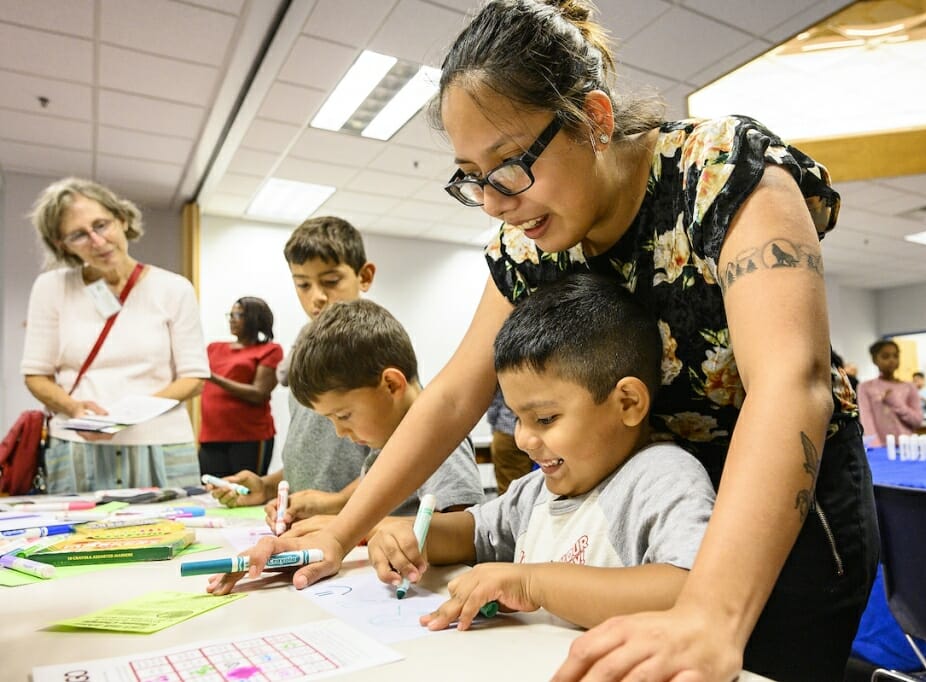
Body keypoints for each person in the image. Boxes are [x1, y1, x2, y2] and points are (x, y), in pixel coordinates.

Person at [213, 2, 877, 680]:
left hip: (782, 506)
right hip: (643, 507)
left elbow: (791, 384)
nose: (496, 202)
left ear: (594, 118)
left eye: (508, 165)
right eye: (472, 178)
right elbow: (450, 398)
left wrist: (711, 612)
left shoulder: (721, 173)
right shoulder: (528, 242)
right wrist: (340, 529)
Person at [368, 274, 714, 630]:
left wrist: (531, 583)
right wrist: (409, 537)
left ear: (627, 403)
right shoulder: (537, 492)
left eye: (545, 419)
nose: (523, 440)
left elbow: (691, 589)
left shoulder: (662, 477)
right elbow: (470, 533)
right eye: (518, 419)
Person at [21, 177, 208, 493]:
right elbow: (36, 374)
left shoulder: (174, 288)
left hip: (162, 442)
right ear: (62, 244)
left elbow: (194, 377)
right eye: (78, 234)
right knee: (78, 541)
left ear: (121, 219)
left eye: (101, 225)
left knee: (176, 535)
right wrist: (75, 409)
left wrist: (130, 414)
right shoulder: (51, 288)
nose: (96, 240)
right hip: (76, 445)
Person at [206, 217, 376, 535]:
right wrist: (268, 486)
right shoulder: (303, 349)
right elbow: (314, 452)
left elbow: (400, 455)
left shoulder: (375, 348)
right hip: (305, 528)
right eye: (303, 284)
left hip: (353, 531)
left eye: (331, 281)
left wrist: (337, 502)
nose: (317, 297)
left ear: (364, 276)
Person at [281, 298, 484, 524]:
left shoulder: (439, 438)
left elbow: (464, 529)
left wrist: (348, 529)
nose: (340, 431)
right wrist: (333, 507)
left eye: (343, 415)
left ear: (391, 384)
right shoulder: (388, 438)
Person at [198, 297, 283, 478]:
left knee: (247, 491)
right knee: (212, 492)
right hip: (211, 435)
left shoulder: (269, 350)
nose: (232, 319)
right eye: (231, 314)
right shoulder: (213, 348)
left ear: (255, 318)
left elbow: (259, 393)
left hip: (249, 437)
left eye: (239, 314)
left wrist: (214, 378)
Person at [857, 340, 923, 446]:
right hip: (880, 448)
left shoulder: (910, 387)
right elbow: (866, 420)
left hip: (907, 447)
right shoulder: (865, 387)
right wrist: (876, 447)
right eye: (885, 356)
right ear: (875, 360)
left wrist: (895, 402)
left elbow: (917, 420)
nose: (892, 360)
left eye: (895, 356)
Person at [485, 386, 534, 494]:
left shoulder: (501, 371)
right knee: (530, 487)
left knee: (509, 491)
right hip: (535, 430)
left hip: (506, 430)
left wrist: (495, 426)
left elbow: (494, 403)